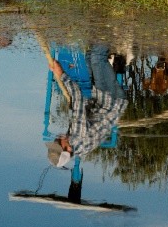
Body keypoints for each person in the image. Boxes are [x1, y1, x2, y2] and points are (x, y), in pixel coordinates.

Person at [44, 44, 125, 172]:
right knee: (97, 57)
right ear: (68, 149)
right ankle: (106, 29)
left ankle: (101, 34)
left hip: (102, 100)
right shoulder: (77, 137)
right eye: (58, 143)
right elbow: (77, 95)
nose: (56, 139)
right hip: (112, 99)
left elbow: (81, 110)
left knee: (88, 57)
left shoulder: (78, 147)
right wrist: (60, 73)